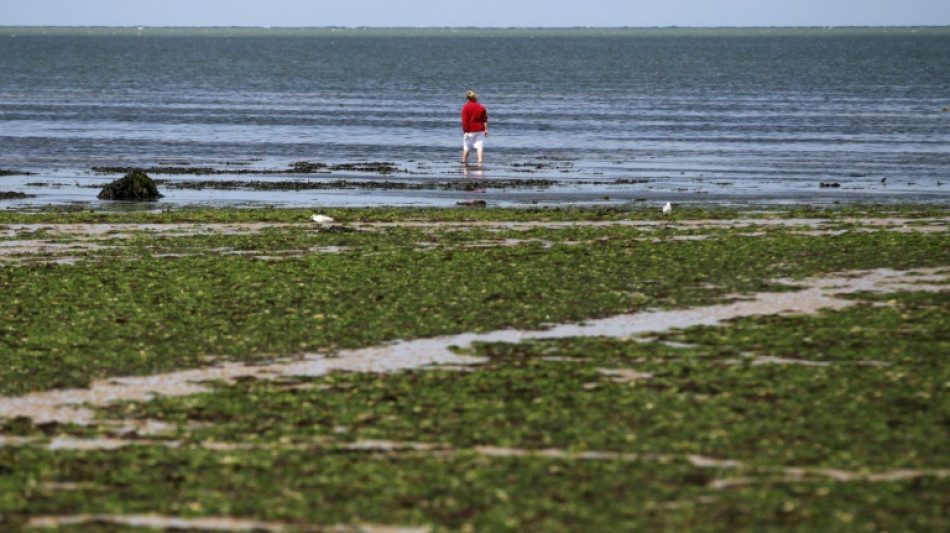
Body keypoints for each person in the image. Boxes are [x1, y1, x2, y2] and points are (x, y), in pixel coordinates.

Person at [461, 90, 488, 165]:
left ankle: (464, 161)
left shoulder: (466, 107)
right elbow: (484, 119)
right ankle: (480, 162)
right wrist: (486, 129)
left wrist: (465, 131)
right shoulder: (481, 107)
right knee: (479, 146)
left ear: (467, 99)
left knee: (467, 146)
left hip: (470, 130)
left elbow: (465, 121)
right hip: (480, 129)